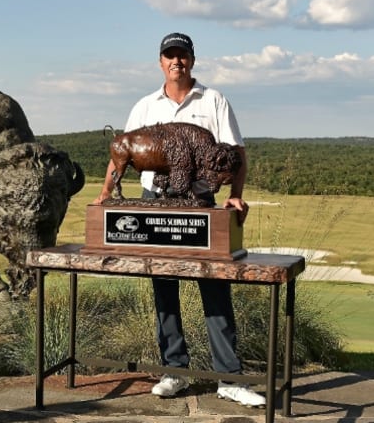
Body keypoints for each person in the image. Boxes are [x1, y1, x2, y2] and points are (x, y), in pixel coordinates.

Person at [92, 32, 265, 407]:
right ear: (160, 62)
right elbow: (120, 154)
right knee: (164, 287)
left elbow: (236, 154)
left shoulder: (214, 100)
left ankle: (229, 377)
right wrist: (105, 195)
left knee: (215, 285)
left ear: (192, 60)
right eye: (170, 56)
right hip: (154, 200)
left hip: (199, 200)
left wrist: (234, 194)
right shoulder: (144, 106)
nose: (177, 62)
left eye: (182, 56)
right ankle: (175, 370)